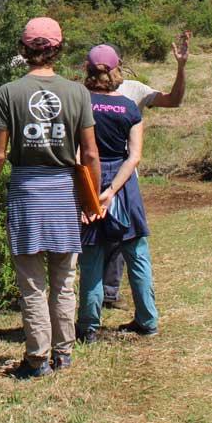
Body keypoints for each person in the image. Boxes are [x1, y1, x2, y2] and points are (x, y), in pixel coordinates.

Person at [0, 16, 100, 378]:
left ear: (24, 49)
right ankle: (64, 354)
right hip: (64, 192)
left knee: (32, 283)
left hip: (26, 193)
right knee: (64, 280)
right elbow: (90, 154)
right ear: (58, 49)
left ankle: (37, 359)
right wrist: (90, 200)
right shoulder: (78, 93)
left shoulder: (8, 93)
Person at [98, 33, 191, 307]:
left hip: (124, 174)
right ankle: (96, 299)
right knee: (95, 236)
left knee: (119, 234)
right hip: (97, 171)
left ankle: (108, 294)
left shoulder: (134, 89)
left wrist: (181, 67)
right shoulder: (85, 93)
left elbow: (173, 100)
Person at [75, 45, 158, 342]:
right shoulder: (129, 107)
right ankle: (147, 320)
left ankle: (88, 327)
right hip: (124, 185)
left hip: (89, 179)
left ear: (88, 69)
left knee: (92, 255)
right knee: (136, 252)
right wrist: (112, 191)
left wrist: (92, 193)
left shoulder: (81, 103)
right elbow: (134, 156)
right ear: (116, 69)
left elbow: (79, 152)